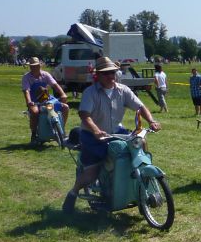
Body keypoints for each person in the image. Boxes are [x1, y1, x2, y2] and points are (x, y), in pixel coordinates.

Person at [62, 57, 160, 213]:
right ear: (98, 75)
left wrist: (151, 121)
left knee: (139, 142)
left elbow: (140, 107)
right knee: (92, 171)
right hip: (93, 135)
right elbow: (84, 115)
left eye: (113, 72)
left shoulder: (123, 90)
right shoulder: (90, 92)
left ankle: (141, 190)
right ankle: (73, 192)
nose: (110, 76)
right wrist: (95, 131)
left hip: (116, 131)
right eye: (106, 73)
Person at [21, 57, 70, 143]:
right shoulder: (26, 77)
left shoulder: (45, 74)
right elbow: (26, 91)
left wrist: (63, 94)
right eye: (32, 66)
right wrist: (29, 102)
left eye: (36, 65)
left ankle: (62, 130)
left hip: (46, 97)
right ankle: (34, 134)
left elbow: (55, 85)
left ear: (40, 65)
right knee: (35, 112)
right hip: (34, 100)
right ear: (30, 67)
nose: (34, 67)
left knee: (65, 107)